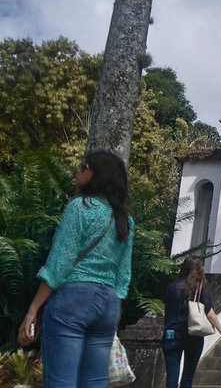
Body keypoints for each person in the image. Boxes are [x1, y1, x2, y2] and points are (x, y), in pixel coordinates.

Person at [17, 150, 135, 387]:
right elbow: (123, 275)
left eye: (84, 167)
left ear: (96, 174)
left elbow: (58, 264)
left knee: (61, 381)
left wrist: (33, 310)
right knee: (95, 381)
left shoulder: (80, 207)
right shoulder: (124, 219)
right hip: (109, 303)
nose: (78, 171)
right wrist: (109, 301)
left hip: (73, 300)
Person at [163, 256, 221, 388]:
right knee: (187, 378)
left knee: (171, 379)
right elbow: (210, 313)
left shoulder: (171, 287)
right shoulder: (200, 288)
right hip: (193, 336)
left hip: (171, 334)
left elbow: (167, 311)